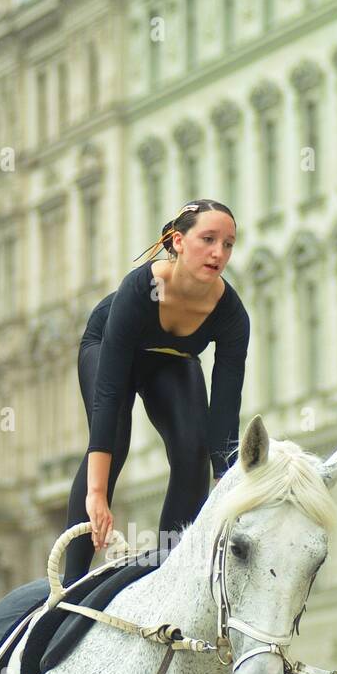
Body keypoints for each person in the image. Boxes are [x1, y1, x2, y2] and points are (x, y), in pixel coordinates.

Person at [62, 198, 251, 586]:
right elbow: (109, 394)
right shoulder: (141, 288)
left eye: (228, 244)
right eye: (208, 239)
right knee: (114, 435)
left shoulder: (231, 314)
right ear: (178, 241)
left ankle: (171, 574)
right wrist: (97, 494)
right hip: (112, 347)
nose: (219, 253)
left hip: (172, 358)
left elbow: (224, 416)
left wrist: (226, 489)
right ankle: (69, 586)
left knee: (193, 447)